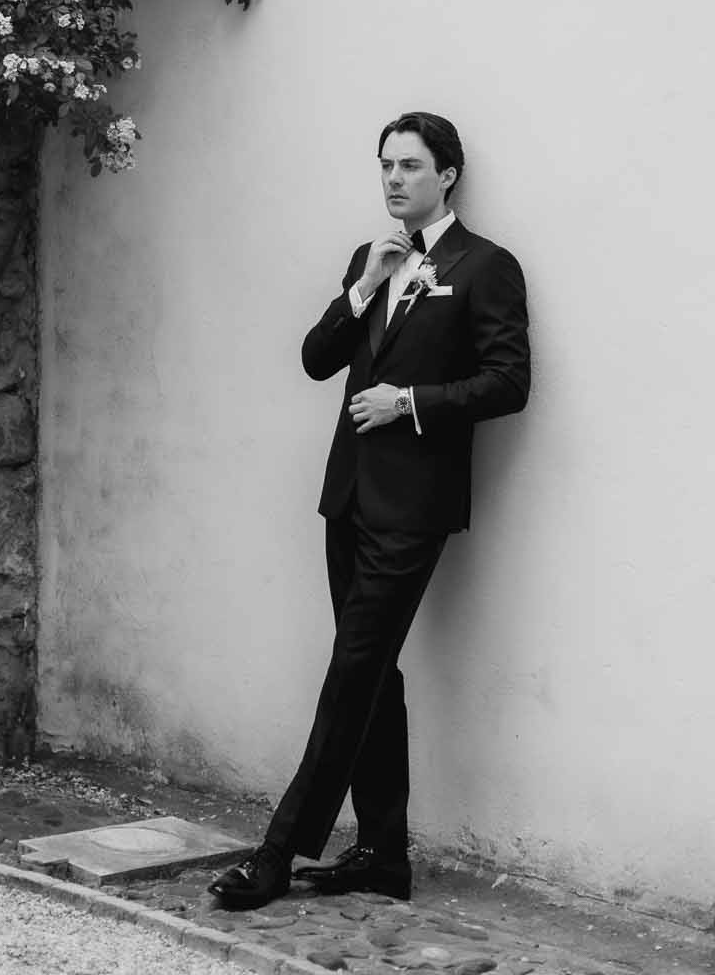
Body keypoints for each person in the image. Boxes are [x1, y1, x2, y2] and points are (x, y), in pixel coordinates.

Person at [209, 110, 530, 910]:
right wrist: (362, 287)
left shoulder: (485, 266)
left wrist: (408, 402)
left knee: (352, 670)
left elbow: (508, 381)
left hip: (413, 507)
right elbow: (316, 360)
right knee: (373, 675)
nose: (393, 178)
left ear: (446, 175)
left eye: (409, 166)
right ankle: (383, 856)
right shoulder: (370, 258)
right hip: (347, 496)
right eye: (385, 164)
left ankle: (277, 853)